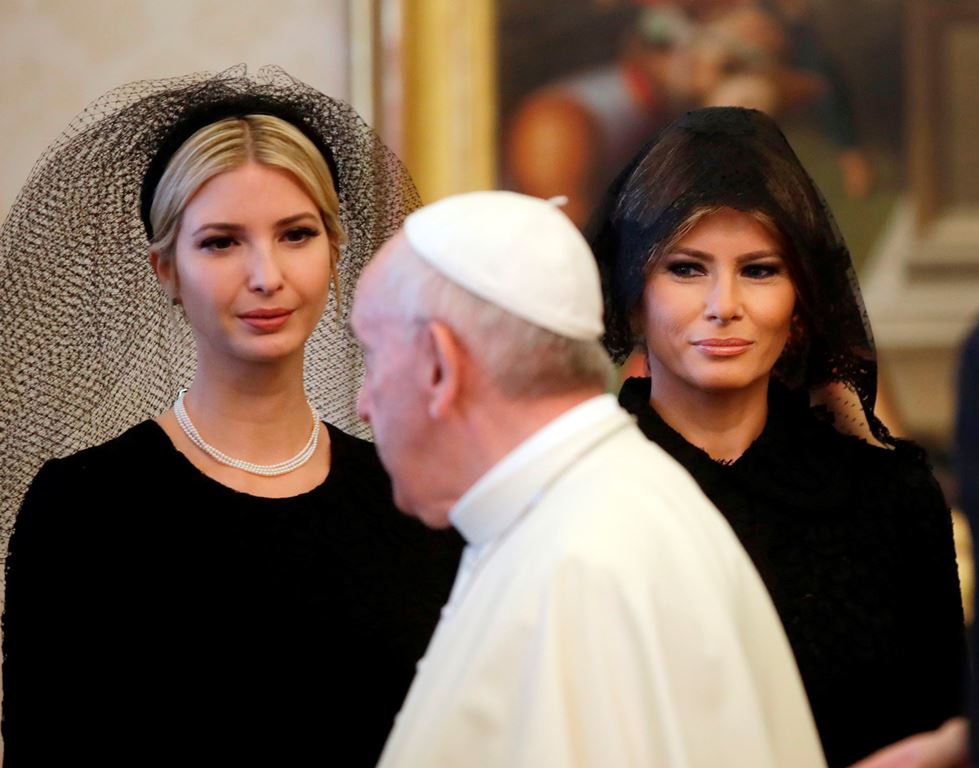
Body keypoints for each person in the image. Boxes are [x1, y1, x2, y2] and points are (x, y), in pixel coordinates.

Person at [0, 67, 462, 766]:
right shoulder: (84, 508)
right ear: (166, 269)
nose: (265, 275)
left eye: (296, 234)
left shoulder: (413, 505)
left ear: (335, 252)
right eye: (221, 242)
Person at [351, 190, 827, 767]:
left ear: (438, 366)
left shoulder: (581, 559)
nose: (362, 405)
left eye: (373, 357)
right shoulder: (592, 509)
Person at [587, 105, 964, 767]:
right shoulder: (579, 492)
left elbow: (939, 726)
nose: (722, 303)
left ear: (800, 303)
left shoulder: (890, 498)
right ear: (632, 294)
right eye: (685, 268)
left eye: (758, 269)